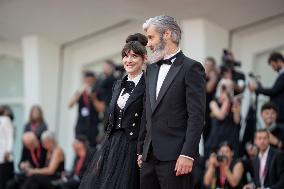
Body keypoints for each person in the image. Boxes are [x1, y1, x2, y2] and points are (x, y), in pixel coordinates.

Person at [137, 15, 206, 189]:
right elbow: (147, 112)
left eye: (151, 37)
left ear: (166, 34)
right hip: (148, 157)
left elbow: (196, 116)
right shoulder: (151, 69)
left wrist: (188, 154)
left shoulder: (192, 68)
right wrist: (141, 149)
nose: (148, 44)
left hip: (176, 158)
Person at [79, 33, 147, 189]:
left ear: (144, 59)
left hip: (133, 146)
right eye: (125, 56)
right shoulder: (118, 84)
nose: (128, 60)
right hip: (112, 143)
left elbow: (148, 120)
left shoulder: (148, 85)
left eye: (134, 56)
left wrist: (142, 149)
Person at [205, 66, 241, 157]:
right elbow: (221, 115)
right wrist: (226, 101)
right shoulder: (213, 103)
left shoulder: (234, 103)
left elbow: (237, 120)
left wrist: (236, 107)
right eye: (223, 88)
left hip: (230, 138)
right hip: (216, 138)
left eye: (229, 88)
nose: (225, 90)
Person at [69, 71, 105, 148]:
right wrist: (80, 92)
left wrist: (93, 97)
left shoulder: (97, 92)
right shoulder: (80, 93)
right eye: (86, 81)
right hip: (81, 126)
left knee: (91, 149)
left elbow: (101, 109)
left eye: (90, 81)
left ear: (93, 81)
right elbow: (70, 104)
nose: (88, 83)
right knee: (79, 148)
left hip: (92, 126)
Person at [249, 52, 284, 125]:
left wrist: (257, 88)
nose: (273, 68)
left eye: (273, 65)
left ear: (279, 61)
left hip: (281, 115)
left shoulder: (283, 75)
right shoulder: (281, 75)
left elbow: (273, 91)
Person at [204, 57, 219, 143]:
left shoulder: (216, 77)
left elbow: (210, 89)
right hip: (204, 111)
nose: (208, 68)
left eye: (210, 66)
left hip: (214, 111)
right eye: (206, 65)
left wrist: (214, 76)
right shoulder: (201, 77)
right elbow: (207, 88)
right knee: (205, 138)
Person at [0, 105, 14, 189]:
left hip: (3, 156)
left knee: (3, 182)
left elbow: (10, 137)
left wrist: (8, 150)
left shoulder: (5, 120)